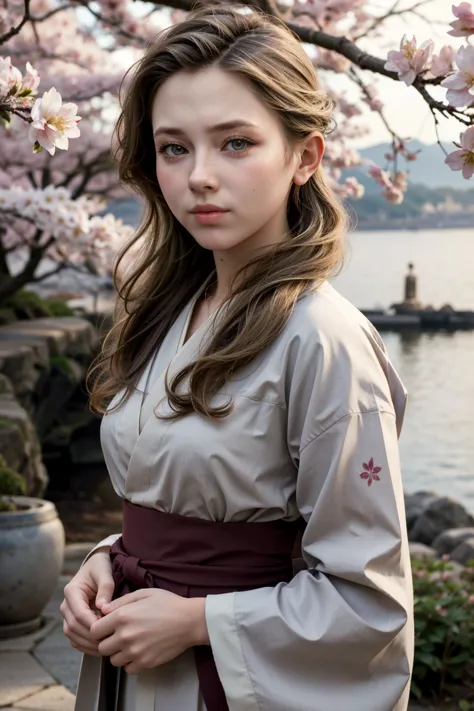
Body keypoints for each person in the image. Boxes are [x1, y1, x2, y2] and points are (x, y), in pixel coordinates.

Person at [60, 5, 414, 710]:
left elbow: (370, 604)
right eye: (173, 148)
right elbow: (175, 504)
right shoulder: (163, 316)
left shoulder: (324, 341)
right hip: (138, 673)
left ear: (305, 157)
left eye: (235, 143)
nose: (199, 177)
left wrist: (200, 621)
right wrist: (104, 563)